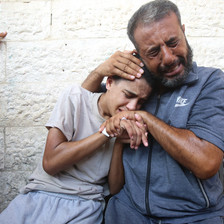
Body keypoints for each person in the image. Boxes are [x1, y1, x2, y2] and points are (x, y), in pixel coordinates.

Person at [81, 0, 224, 223]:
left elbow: (206, 163)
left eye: (173, 42)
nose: (168, 57)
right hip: (128, 212)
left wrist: (145, 118)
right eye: (153, 51)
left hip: (194, 216)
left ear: (184, 32)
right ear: (139, 55)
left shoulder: (210, 82)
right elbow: (81, 104)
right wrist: (99, 71)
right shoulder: (133, 85)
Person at [0, 60, 154, 224]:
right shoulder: (76, 97)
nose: (132, 106)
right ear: (109, 82)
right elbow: (50, 163)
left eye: (140, 102)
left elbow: (115, 188)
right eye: (128, 95)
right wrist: (106, 133)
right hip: (40, 195)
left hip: (85, 205)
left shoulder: (128, 125)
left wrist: (118, 141)